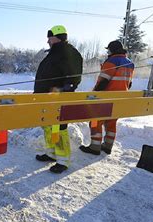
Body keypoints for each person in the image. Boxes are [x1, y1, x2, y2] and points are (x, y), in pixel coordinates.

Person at [34, 25, 83, 173]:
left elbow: (74, 78)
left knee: (59, 128)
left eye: (49, 37)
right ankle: (52, 153)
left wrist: (63, 91)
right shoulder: (54, 53)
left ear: (57, 37)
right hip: (46, 98)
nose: (47, 40)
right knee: (49, 127)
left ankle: (63, 160)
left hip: (58, 99)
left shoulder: (69, 53)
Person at [79, 40, 134, 155]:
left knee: (95, 120)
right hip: (121, 98)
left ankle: (95, 146)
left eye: (108, 49)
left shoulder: (111, 61)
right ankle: (108, 146)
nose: (108, 52)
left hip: (107, 97)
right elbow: (129, 84)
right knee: (111, 121)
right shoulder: (130, 63)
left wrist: (94, 94)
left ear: (112, 50)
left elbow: (103, 81)